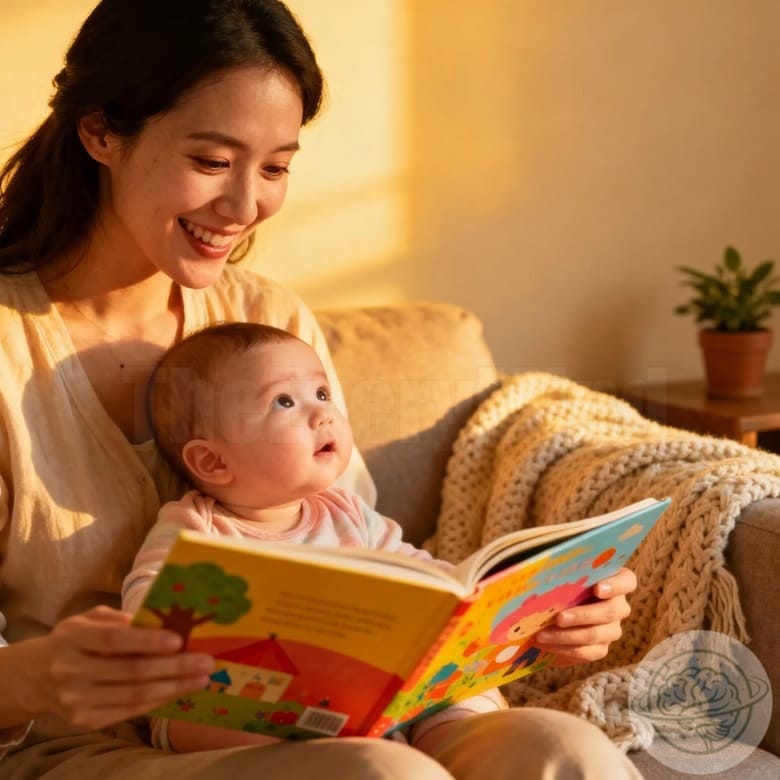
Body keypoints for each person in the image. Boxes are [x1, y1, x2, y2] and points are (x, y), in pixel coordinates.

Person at [0, 0, 642, 777]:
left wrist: (525, 624)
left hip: (338, 722)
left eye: (274, 168)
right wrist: (37, 674)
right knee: (380, 774)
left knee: (565, 748)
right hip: (86, 748)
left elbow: (355, 552)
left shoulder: (267, 317)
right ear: (101, 132)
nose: (244, 207)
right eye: (210, 161)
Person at [122, 321, 510, 754]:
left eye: (322, 394)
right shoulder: (198, 529)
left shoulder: (347, 514)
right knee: (252, 722)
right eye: (284, 401)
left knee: (466, 688)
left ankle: (455, 745)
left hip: (361, 691)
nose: (323, 413)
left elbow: (421, 573)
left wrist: (473, 596)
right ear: (212, 461)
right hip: (236, 701)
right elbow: (148, 602)